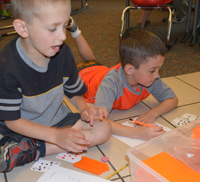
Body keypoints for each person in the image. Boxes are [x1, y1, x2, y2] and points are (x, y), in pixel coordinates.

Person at [0, 0, 112, 173]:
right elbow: (12, 121)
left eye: (65, 25)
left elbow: (74, 93)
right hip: (19, 128)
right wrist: (55, 136)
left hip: (55, 120)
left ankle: (31, 150)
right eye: (53, 28)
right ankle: (32, 146)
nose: (63, 36)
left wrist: (84, 109)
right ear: (23, 28)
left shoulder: (63, 52)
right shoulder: (7, 67)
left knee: (104, 128)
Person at [76, 29, 178, 138]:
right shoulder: (111, 84)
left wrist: (152, 114)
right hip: (81, 74)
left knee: (91, 60)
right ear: (130, 70)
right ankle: (76, 32)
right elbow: (99, 121)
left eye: (159, 69)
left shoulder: (151, 78)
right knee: (85, 61)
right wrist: (137, 133)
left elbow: (173, 99)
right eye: (152, 70)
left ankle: (75, 31)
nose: (157, 75)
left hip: (100, 69)